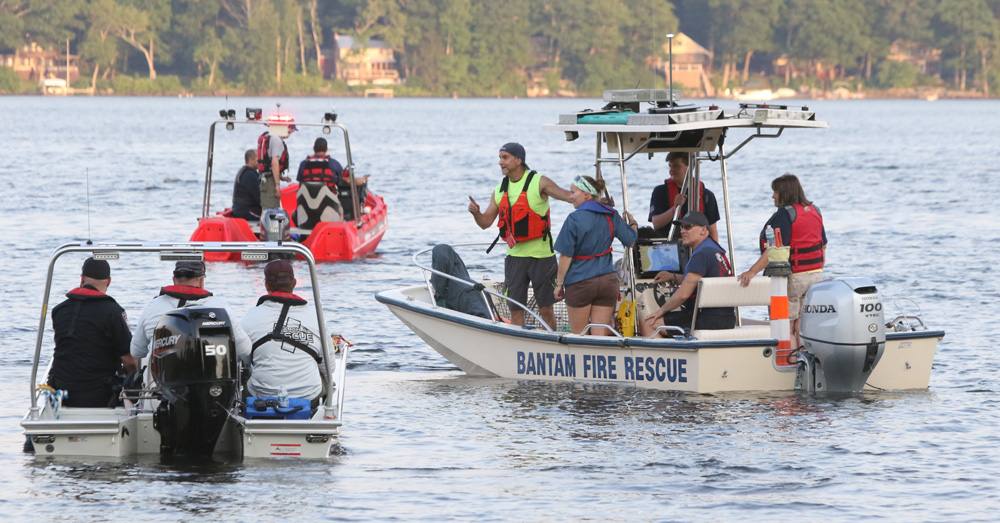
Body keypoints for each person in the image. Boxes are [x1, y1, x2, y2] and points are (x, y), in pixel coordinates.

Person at [467, 142, 571, 328]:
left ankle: (549, 344)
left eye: (504, 157)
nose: (500, 162)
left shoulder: (539, 182)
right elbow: (485, 223)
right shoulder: (500, 190)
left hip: (542, 258)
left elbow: (570, 197)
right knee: (515, 310)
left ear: (518, 160)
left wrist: (598, 202)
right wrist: (476, 213)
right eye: (499, 158)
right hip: (515, 258)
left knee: (546, 310)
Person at [737, 173, 827, 349]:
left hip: (794, 277)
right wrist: (816, 268)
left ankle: (788, 363)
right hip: (816, 275)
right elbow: (823, 245)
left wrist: (752, 272)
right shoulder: (815, 210)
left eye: (775, 192)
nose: (773, 196)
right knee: (802, 325)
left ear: (784, 193)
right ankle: (805, 361)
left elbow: (774, 251)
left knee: (786, 326)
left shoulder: (785, 214)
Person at [553, 175, 638, 335]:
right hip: (607, 282)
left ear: (586, 194)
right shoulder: (611, 214)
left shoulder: (574, 219)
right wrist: (633, 224)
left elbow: (565, 256)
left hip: (580, 282)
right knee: (600, 336)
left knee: (579, 335)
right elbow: (631, 241)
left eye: (573, 192)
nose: (570, 197)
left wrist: (559, 283)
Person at [47, 258, 136, 407]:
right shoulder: (113, 312)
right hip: (99, 394)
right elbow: (129, 360)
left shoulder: (59, 310)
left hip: (62, 390)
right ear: (109, 282)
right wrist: (134, 378)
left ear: (82, 278)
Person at [130, 261, 252, 365]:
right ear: (201, 281)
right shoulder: (220, 306)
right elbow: (245, 349)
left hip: (159, 387)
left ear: (174, 280)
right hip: (210, 387)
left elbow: (136, 351)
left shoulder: (154, 305)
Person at [241, 260, 327, 402]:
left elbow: (243, 361)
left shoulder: (249, 317)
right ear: (294, 283)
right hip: (308, 397)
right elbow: (329, 367)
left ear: (266, 285)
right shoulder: (316, 316)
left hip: (261, 397)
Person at [641, 212, 736, 336]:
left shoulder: (701, 255)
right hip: (726, 318)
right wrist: (672, 277)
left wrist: (661, 311)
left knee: (650, 322)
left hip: (707, 319)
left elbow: (683, 295)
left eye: (688, 227)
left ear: (703, 230)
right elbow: (701, 281)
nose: (682, 231)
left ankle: (665, 355)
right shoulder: (713, 250)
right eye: (682, 227)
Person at [648, 152, 721, 242]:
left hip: (697, 249)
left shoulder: (707, 195)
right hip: (668, 247)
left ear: (690, 167)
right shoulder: (660, 192)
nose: (671, 170)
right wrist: (674, 209)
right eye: (670, 166)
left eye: (676, 166)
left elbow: (712, 231)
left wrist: (715, 252)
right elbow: (656, 223)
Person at [257, 119, 296, 211]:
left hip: (265, 179)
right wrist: (277, 184)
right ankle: (270, 225)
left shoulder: (270, 137)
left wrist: (280, 177)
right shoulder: (276, 140)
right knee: (271, 208)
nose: (291, 134)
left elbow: (268, 162)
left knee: (267, 207)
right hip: (270, 181)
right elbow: (274, 163)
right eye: (292, 130)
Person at [232, 149, 262, 221]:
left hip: (241, 209)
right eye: (258, 159)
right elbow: (259, 197)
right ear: (251, 159)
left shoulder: (245, 171)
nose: (260, 162)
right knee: (272, 216)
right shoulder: (249, 175)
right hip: (246, 211)